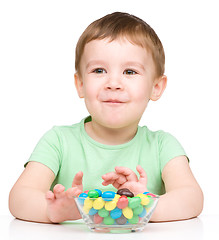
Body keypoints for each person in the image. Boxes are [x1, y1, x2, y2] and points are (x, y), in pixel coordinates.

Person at [9, 12, 203, 224]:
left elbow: (192, 198)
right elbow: (19, 197)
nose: (113, 83)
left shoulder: (162, 146)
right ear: (80, 84)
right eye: (99, 70)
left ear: (156, 87)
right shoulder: (58, 141)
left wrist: (144, 206)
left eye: (130, 71)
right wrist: (53, 211)